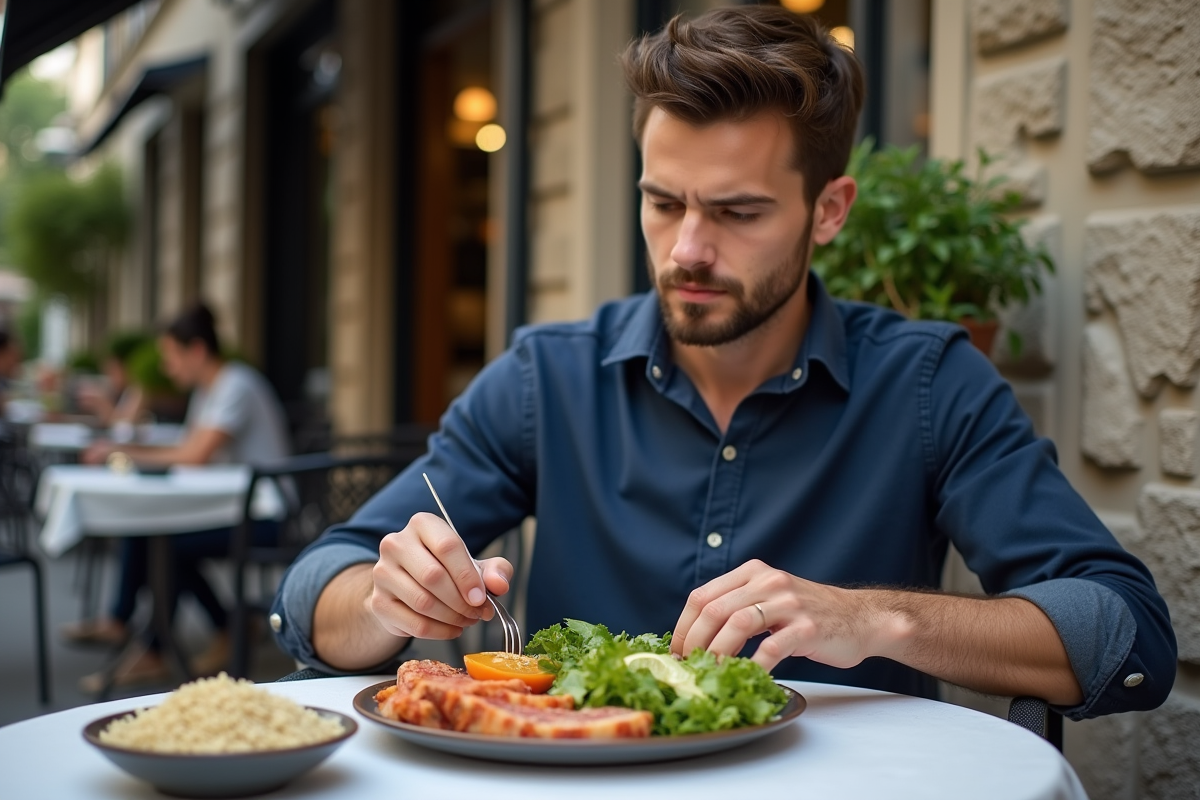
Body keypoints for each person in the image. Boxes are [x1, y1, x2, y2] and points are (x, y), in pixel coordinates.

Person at [271, 7, 1174, 718]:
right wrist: (387, 603)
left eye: (738, 213)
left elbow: (1125, 636)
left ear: (829, 211)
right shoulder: (547, 379)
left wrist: (875, 619)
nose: (687, 250)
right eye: (663, 203)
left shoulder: (928, 383)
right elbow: (317, 591)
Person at [70, 303, 291, 690]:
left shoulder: (234, 384)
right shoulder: (211, 390)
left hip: (269, 516)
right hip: (237, 507)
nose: (168, 368)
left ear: (197, 351)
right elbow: (192, 451)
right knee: (150, 531)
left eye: (171, 356)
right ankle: (160, 636)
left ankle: (175, 641)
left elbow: (195, 455)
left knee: (164, 541)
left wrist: (121, 452)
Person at [75, 331, 149, 427]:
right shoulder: (127, 391)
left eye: (113, 369)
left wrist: (102, 405)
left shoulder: (141, 389)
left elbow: (125, 425)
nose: (110, 376)